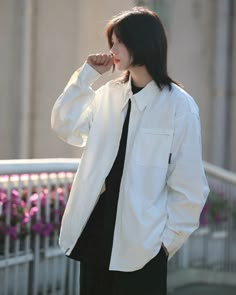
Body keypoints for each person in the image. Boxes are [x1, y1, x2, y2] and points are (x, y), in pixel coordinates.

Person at [51, 6, 209, 295]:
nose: (111, 49)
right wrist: (86, 76)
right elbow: (66, 126)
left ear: (142, 42)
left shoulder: (179, 106)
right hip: (95, 233)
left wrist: (164, 244)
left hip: (142, 246)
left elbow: (190, 186)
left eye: (118, 41)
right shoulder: (107, 95)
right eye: (111, 42)